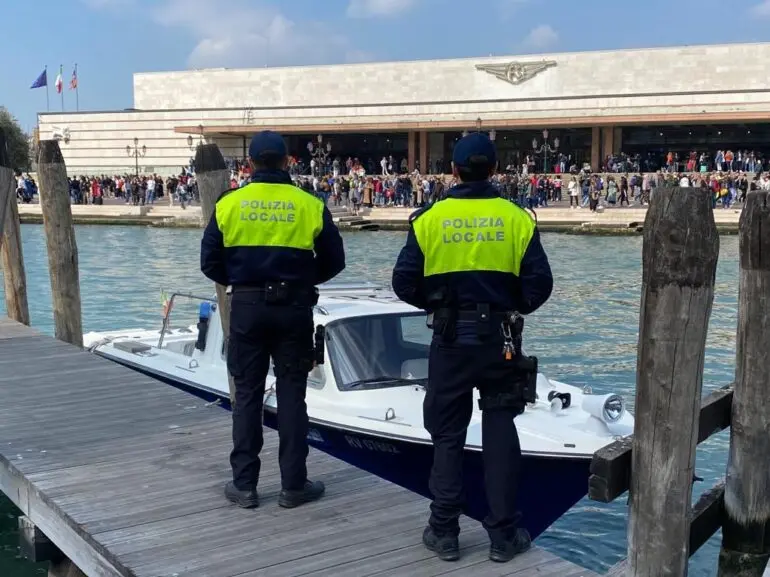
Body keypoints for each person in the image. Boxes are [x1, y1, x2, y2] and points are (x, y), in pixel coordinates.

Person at [391, 133, 553, 563]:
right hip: (499, 340)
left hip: (449, 340)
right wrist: (509, 307)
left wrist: (441, 304)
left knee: (447, 435)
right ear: (496, 171)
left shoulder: (429, 219)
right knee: (500, 430)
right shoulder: (517, 218)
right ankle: (503, 535)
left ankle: (444, 532)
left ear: (454, 171)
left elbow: (403, 282)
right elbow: (540, 286)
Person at [201, 130, 345, 510]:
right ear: (286, 162)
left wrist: (242, 280)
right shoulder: (309, 204)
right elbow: (335, 260)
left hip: (246, 308)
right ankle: (293, 485)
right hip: (294, 309)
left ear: (249, 165)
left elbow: (209, 262)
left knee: (246, 395)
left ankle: (245, 485)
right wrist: (301, 280)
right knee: (292, 395)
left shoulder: (230, 203)